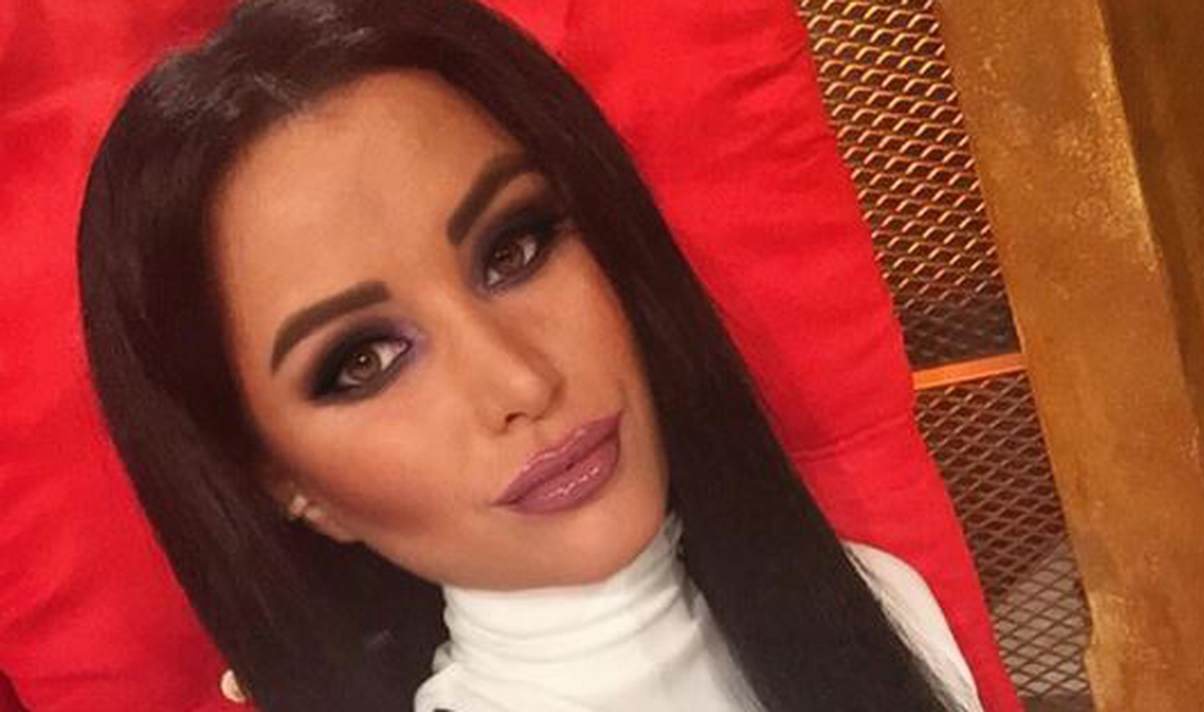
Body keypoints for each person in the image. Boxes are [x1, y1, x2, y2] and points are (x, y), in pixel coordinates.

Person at [77, 0, 985, 710]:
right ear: (286, 483)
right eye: (364, 362)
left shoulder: (885, 607)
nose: (521, 380)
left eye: (513, 251)